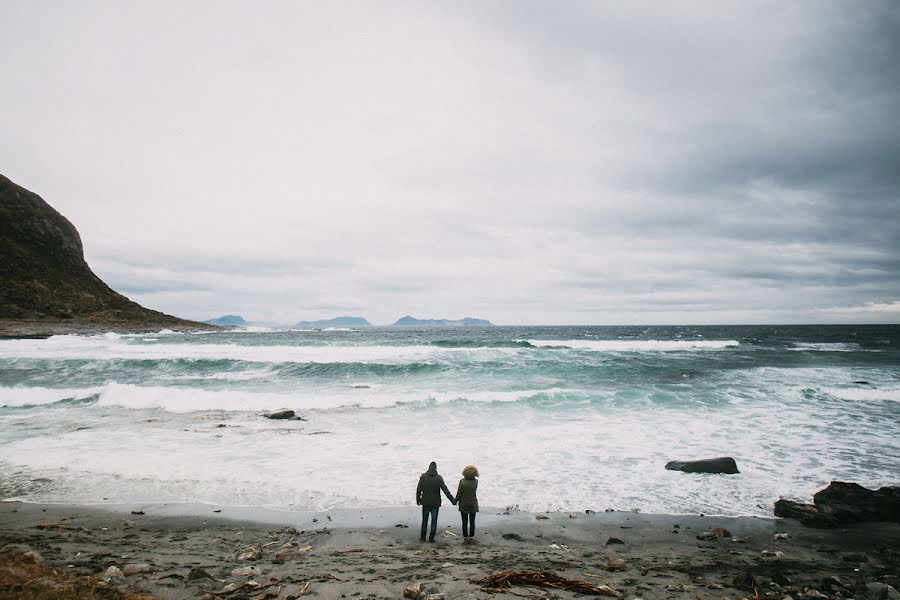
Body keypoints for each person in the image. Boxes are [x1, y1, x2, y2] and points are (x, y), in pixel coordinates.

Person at [416, 461, 455, 542]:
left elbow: (419, 489)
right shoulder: (439, 478)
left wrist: (418, 499)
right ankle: (431, 538)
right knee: (434, 521)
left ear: (429, 467)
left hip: (425, 502)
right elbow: (445, 490)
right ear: (436, 468)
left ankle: (423, 537)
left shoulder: (423, 477)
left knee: (425, 520)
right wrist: (453, 500)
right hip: (435, 503)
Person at [456, 464, 479, 543]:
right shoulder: (476, 481)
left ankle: (465, 538)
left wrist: (455, 501)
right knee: (472, 521)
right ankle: (471, 537)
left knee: (464, 522)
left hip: (464, 504)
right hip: (473, 503)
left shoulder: (462, 481)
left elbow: (459, 493)